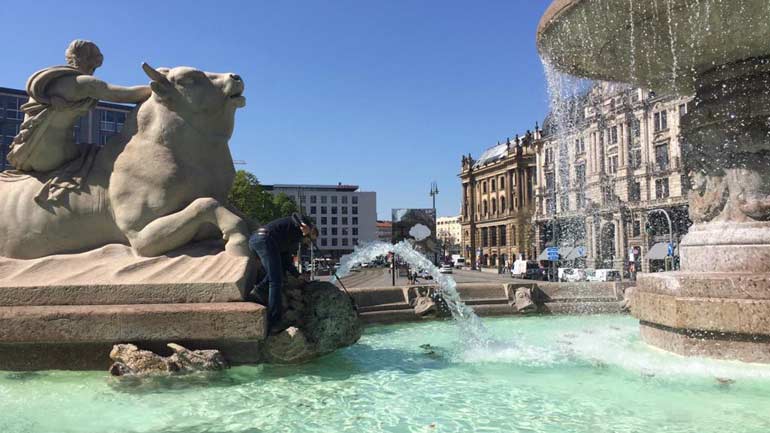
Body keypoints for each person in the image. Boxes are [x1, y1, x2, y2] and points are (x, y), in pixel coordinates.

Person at [247, 213, 318, 333]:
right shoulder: (299, 225)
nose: (308, 242)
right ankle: (274, 321)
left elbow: (286, 262)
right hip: (264, 239)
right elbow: (296, 215)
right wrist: (304, 224)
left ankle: (258, 291)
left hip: (261, 241)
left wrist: (298, 275)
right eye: (310, 238)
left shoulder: (291, 241)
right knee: (276, 281)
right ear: (310, 231)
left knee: (278, 271)